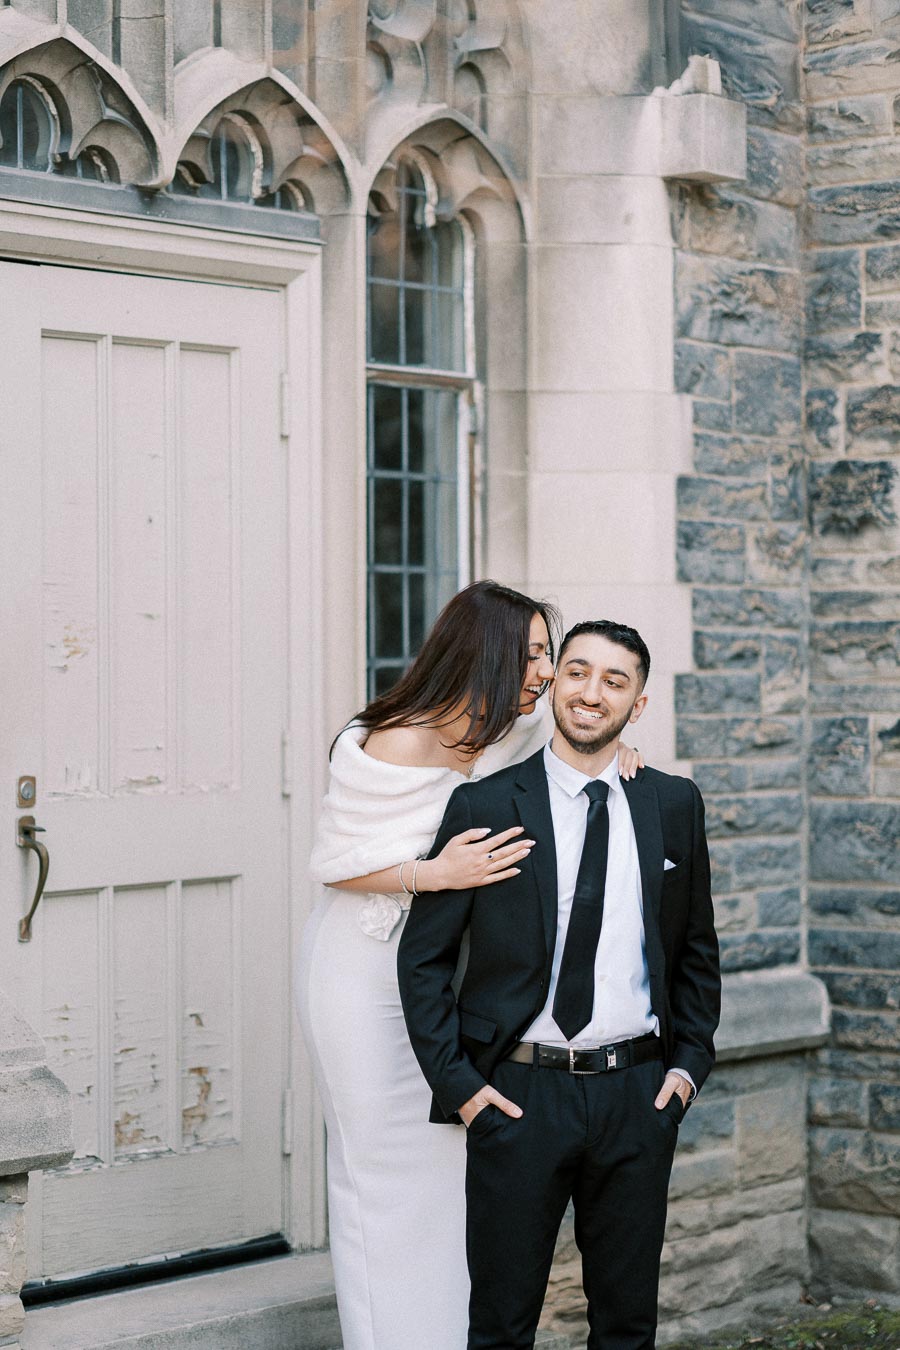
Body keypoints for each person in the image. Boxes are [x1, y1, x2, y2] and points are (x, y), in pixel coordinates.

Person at [297, 584, 644, 1350]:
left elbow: (568, 757)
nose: (544, 673)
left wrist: (618, 749)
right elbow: (332, 864)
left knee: (449, 1175)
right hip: (359, 974)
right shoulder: (391, 738)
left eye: (547, 654)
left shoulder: (506, 736)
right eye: (529, 655)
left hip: (440, 986)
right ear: (481, 653)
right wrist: (433, 874)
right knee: (378, 1178)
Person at [398, 619, 721, 1350]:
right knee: (503, 1324)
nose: (590, 692)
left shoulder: (672, 804)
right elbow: (424, 960)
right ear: (553, 684)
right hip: (519, 1097)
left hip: (636, 1094)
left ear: (637, 705)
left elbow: (696, 950)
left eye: (615, 681)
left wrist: (688, 1069)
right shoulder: (485, 804)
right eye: (576, 671)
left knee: (627, 1324)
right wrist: (461, 1089)